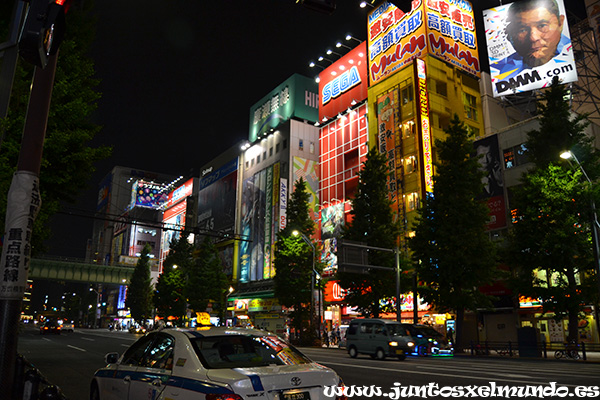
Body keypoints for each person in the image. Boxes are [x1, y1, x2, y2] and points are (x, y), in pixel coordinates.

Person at [490, 0, 569, 75]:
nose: (533, 38)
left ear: (560, 24)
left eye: (542, 26)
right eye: (522, 30)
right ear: (509, 35)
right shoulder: (498, 72)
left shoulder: (570, 53)